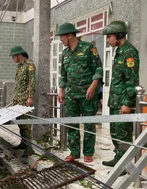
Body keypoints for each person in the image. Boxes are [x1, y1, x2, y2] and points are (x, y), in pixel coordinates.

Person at [56, 23, 103, 163]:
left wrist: (93, 86)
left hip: (87, 94)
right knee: (72, 123)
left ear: (70, 35)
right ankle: (74, 152)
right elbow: (63, 74)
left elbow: (99, 68)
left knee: (89, 123)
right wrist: (61, 90)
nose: (60, 40)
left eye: (62, 36)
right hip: (71, 95)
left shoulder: (88, 48)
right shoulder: (65, 53)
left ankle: (88, 152)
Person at [101, 21, 139, 167]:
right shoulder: (120, 51)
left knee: (123, 135)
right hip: (115, 101)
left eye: (109, 36)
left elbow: (132, 80)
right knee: (115, 133)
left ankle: (126, 165)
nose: (107, 39)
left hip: (123, 102)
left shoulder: (129, 52)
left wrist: (127, 103)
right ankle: (119, 159)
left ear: (119, 35)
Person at [9, 46, 36, 157]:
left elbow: (31, 82)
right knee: (20, 122)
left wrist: (30, 97)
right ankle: (23, 143)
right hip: (18, 99)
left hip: (25, 99)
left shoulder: (29, 65)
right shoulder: (19, 67)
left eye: (13, 56)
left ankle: (29, 148)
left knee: (26, 124)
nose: (12, 59)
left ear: (19, 55)